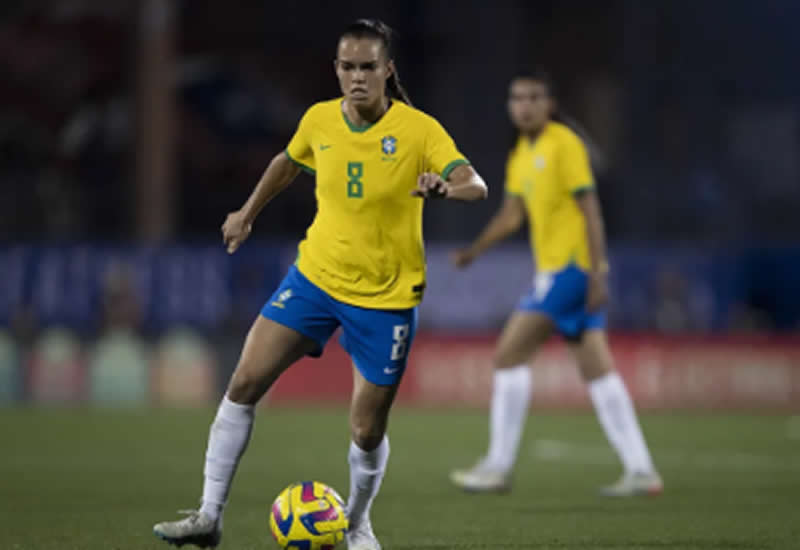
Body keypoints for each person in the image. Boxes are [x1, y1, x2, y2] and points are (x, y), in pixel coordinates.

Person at [152, 19, 486, 550]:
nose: (357, 77)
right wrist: (247, 212)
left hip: (386, 299)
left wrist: (446, 188)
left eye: (368, 67)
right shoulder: (319, 120)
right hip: (315, 279)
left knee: (365, 431)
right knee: (242, 385)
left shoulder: (420, 130)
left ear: (387, 70)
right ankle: (209, 516)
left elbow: (477, 184)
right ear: (336, 70)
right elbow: (287, 162)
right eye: (348, 67)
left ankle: (356, 524)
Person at [448, 70, 662, 497]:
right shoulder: (520, 157)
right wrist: (476, 250)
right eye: (517, 98)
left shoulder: (564, 144)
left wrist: (598, 272)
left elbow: (591, 210)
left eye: (533, 97)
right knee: (597, 372)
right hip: (566, 272)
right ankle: (642, 470)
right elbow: (512, 215)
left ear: (549, 104)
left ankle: (497, 466)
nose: (524, 105)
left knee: (509, 355)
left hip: (572, 270)